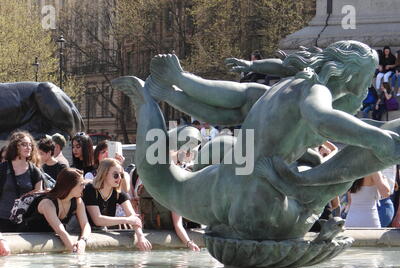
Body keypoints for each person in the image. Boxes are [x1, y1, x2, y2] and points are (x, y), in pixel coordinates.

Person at [114, 41, 400, 241]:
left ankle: (152, 98)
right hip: (256, 199)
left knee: (247, 103)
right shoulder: (316, 91)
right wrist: (379, 139)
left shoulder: (286, 87)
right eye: (368, 76)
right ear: (350, 75)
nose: (369, 84)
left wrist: (178, 89)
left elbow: (231, 105)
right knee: (358, 165)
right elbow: (323, 119)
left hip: (227, 179)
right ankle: (305, 206)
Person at [83, 158, 152, 251]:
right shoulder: (90, 189)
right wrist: (127, 220)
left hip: (101, 231)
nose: (119, 178)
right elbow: (97, 220)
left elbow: (133, 217)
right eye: (116, 175)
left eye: (121, 175)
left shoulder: (118, 193)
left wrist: (140, 236)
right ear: (104, 174)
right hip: (78, 230)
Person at [18, 168, 91, 253]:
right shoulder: (47, 203)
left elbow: (86, 225)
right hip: (29, 237)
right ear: (70, 186)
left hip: (48, 237)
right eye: (81, 184)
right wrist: (76, 252)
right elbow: (60, 231)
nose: (84, 187)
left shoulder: (78, 201)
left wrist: (83, 241)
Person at [0, 131, 43, 232]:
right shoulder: (2, 168)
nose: (28, 147)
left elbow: (38, 197)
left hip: (24, 222)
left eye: (30, 145)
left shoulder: (35, 171)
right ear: (15, 146)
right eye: (24, 144)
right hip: (2, 219)